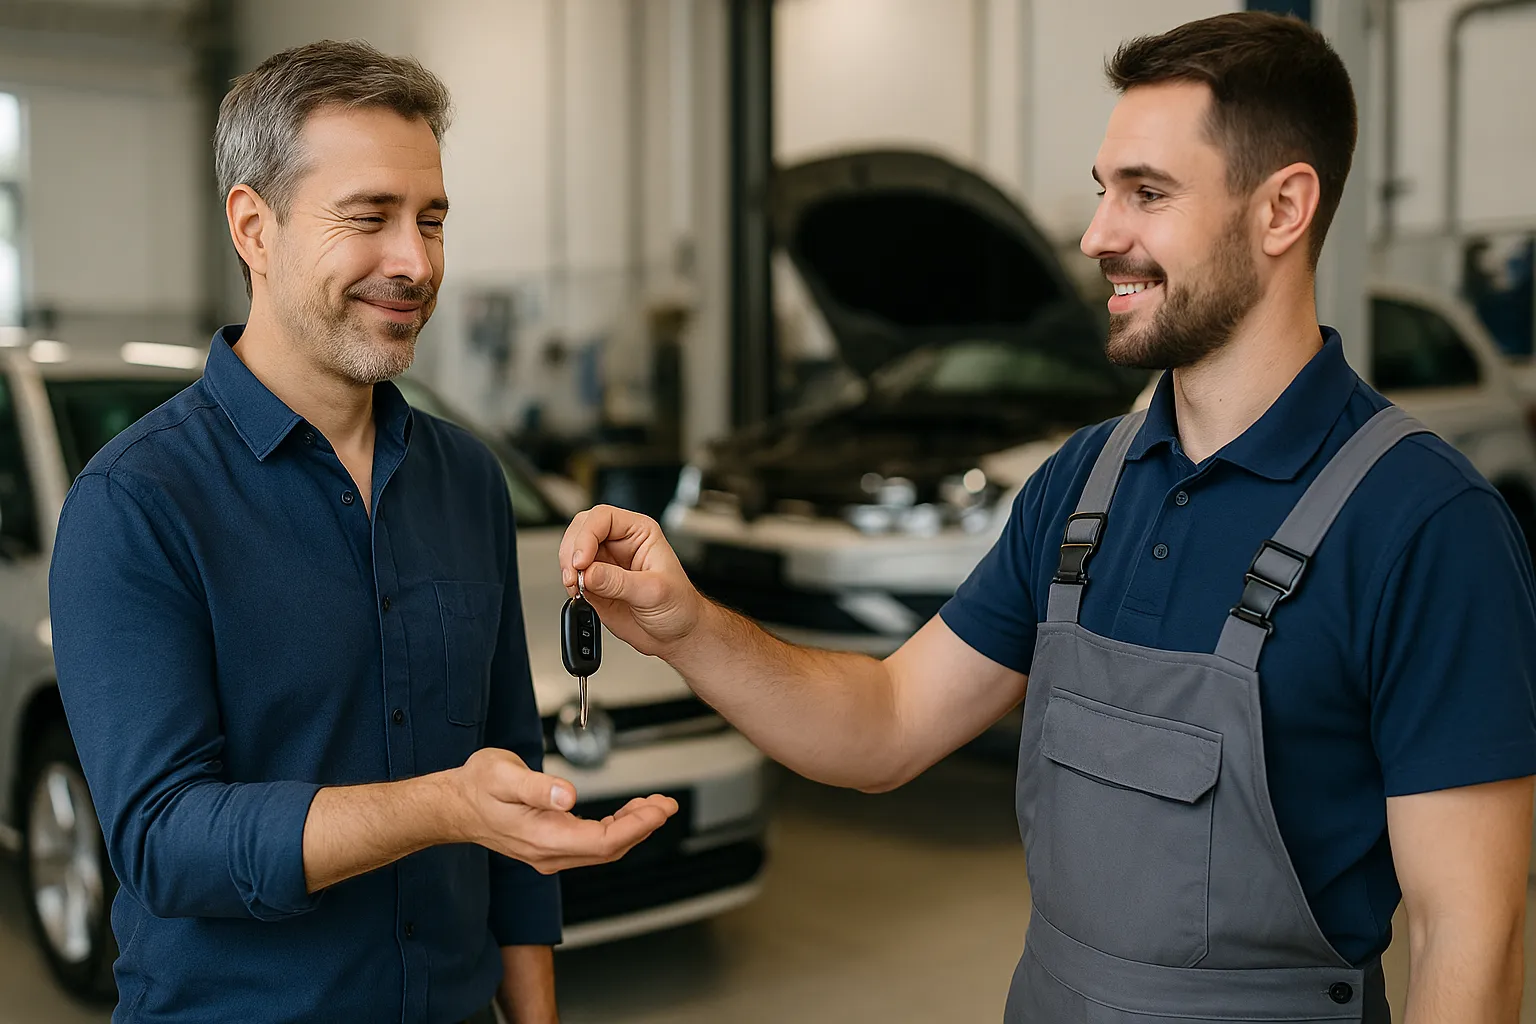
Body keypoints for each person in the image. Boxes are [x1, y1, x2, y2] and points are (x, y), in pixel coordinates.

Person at [561, 12, 1536, 1023]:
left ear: (1283, 208)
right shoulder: (1082, 486)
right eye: (1105, 190)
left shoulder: (1427, 526)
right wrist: (687, 625)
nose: (1097, 235)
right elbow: (884, 726)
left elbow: (1471, 938)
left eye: (1147, 194)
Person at [49, 40, 676, 1024]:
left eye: (431, 219)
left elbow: (510, 771)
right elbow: (163, 839)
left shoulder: (465, 479)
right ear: (254, 227)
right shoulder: (136, 504)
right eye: (370, 217)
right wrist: (440, 808)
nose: (416, 263)